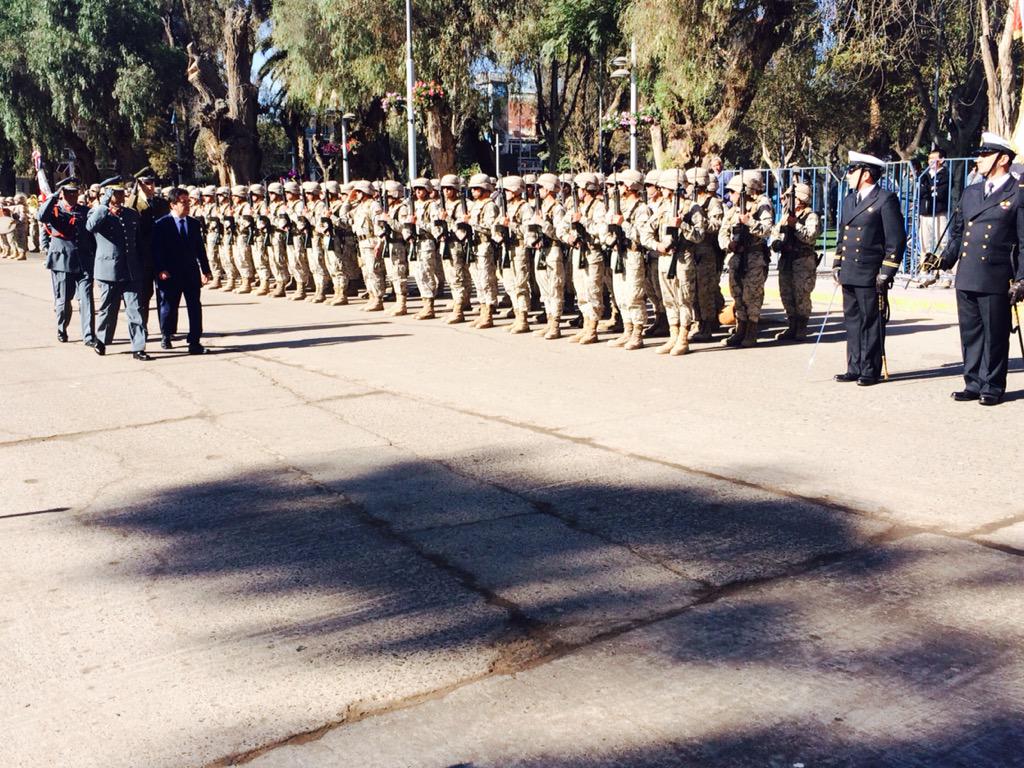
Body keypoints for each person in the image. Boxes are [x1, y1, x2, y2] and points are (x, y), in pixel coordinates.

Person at [922, 132, 1024, 406]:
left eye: (984, 155)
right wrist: (942, 260)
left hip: (996, 275)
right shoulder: (971, 192)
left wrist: (1022, 279)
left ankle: (992, 386)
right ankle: (973, 382)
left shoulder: (1017, 192)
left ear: (1002, 159)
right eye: (979, 155)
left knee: (995, 334)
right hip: (967, 274)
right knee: (971, 333)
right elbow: (958, 235)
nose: (978, 160)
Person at [832, 151, 907, 386]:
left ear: (866, 173)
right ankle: (853, 366)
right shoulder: (848, 200)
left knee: (871, 322)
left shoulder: (885, 199)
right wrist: (837, 261)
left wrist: (887, 271)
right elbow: (843, 236)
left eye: (852, 171)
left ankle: (870, 368)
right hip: (850, 271)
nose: (848, 176)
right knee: (852, 321)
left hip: (870, 272)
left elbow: (896, 239)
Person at [86, 178, 149, 360]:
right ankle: (102, 340)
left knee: (135, 309)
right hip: (109, 270)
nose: (120, 196)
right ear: (108, 195)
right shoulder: (99, 213)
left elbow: (137, 241)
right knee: (108, 309)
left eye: (122, 193)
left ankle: (138, 347)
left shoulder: (130, 214)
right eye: (116, 193)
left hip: (131, 269)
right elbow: (90, 227)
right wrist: (104, 204)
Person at [38, 178, 100, 352]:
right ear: (62, 194)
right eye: (69, 192)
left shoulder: (85, 211)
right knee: (64, 300)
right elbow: (41, 216)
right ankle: (61, 327)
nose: (73, 195)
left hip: (84, 261)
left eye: (75, 192)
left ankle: (89, 335)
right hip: (62, 261)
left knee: (87, 299)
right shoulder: (55, 210)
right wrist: (53, 197)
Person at [153, 187, 212, 354]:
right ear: (172, 205)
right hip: (170, 273)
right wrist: (161, 270)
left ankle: (194, 341)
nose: (187, 206)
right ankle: (166, 334)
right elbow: (157, 250)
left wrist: (206, 270)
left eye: (188, 202)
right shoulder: (161, 224)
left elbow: (200, 249)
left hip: (190, 273)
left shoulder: (193, 223)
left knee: (194, 306)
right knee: (169, 307)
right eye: (182, 203)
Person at [718, 171, 774, 347]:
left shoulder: (762, 205)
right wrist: (729, 244)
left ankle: (751, 331)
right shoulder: (733, 210)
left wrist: (749, 222)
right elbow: (722, 233)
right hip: (736, 258)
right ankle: (740, 328)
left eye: (733, 192)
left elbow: (766, 229)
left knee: (753, 296)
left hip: (754, 258)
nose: (730, 195)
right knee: (738, 295)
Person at [771, 182, 822, 342]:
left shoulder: (810, 216)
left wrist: (796, 225)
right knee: (786, 294)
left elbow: (810, 236)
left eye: (789, 197)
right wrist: (776, 242)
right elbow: (776, 232)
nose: (784, 200)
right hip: (787, 260)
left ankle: (801, 327)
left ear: (800, 199)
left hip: (802, 262)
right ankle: (792, 324)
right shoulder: (786, 216)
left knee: (801, 295)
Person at [917, 147, 952, 288]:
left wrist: (932, 190)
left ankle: (945, 275)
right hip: (925, 213)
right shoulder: (924, 175)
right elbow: (921, 190)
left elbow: (942, 192)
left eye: (935, 159)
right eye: (929, 159)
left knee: (942, 243)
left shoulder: (945, 174)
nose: (931, 161)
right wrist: (930, 189)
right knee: (925, 244)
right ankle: (926, 274)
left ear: (941, 160)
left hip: (939, 212)